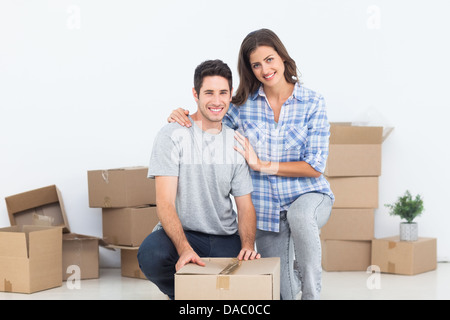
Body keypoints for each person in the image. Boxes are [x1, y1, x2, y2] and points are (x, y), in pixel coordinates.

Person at [168, 29, 334, 300]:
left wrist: (262, 164)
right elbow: (211, 121)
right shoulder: (242, 105)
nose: (265, 69)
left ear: (282, 57)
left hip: (309, 195)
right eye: (256, 65)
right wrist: (184, 113)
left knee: (300, 216)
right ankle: (295, 278)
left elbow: (315, 166)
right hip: (267, 210)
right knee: (283, 292)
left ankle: (313, 293)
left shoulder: (313, 102)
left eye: (269, 59)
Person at [137, 59, 261, 300]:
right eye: (209, 93)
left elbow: (245, 207)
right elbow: (165, 203)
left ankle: (203, 295)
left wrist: (247, 246)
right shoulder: (172, 134)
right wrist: (184, 249)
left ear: (230, 94)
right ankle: (188, 296)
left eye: (223, 92)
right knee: (151, 255)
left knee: (257, 289)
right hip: (183, 233)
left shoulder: (235, 142)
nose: (217, 101)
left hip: (224, 237)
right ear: (195, 94)